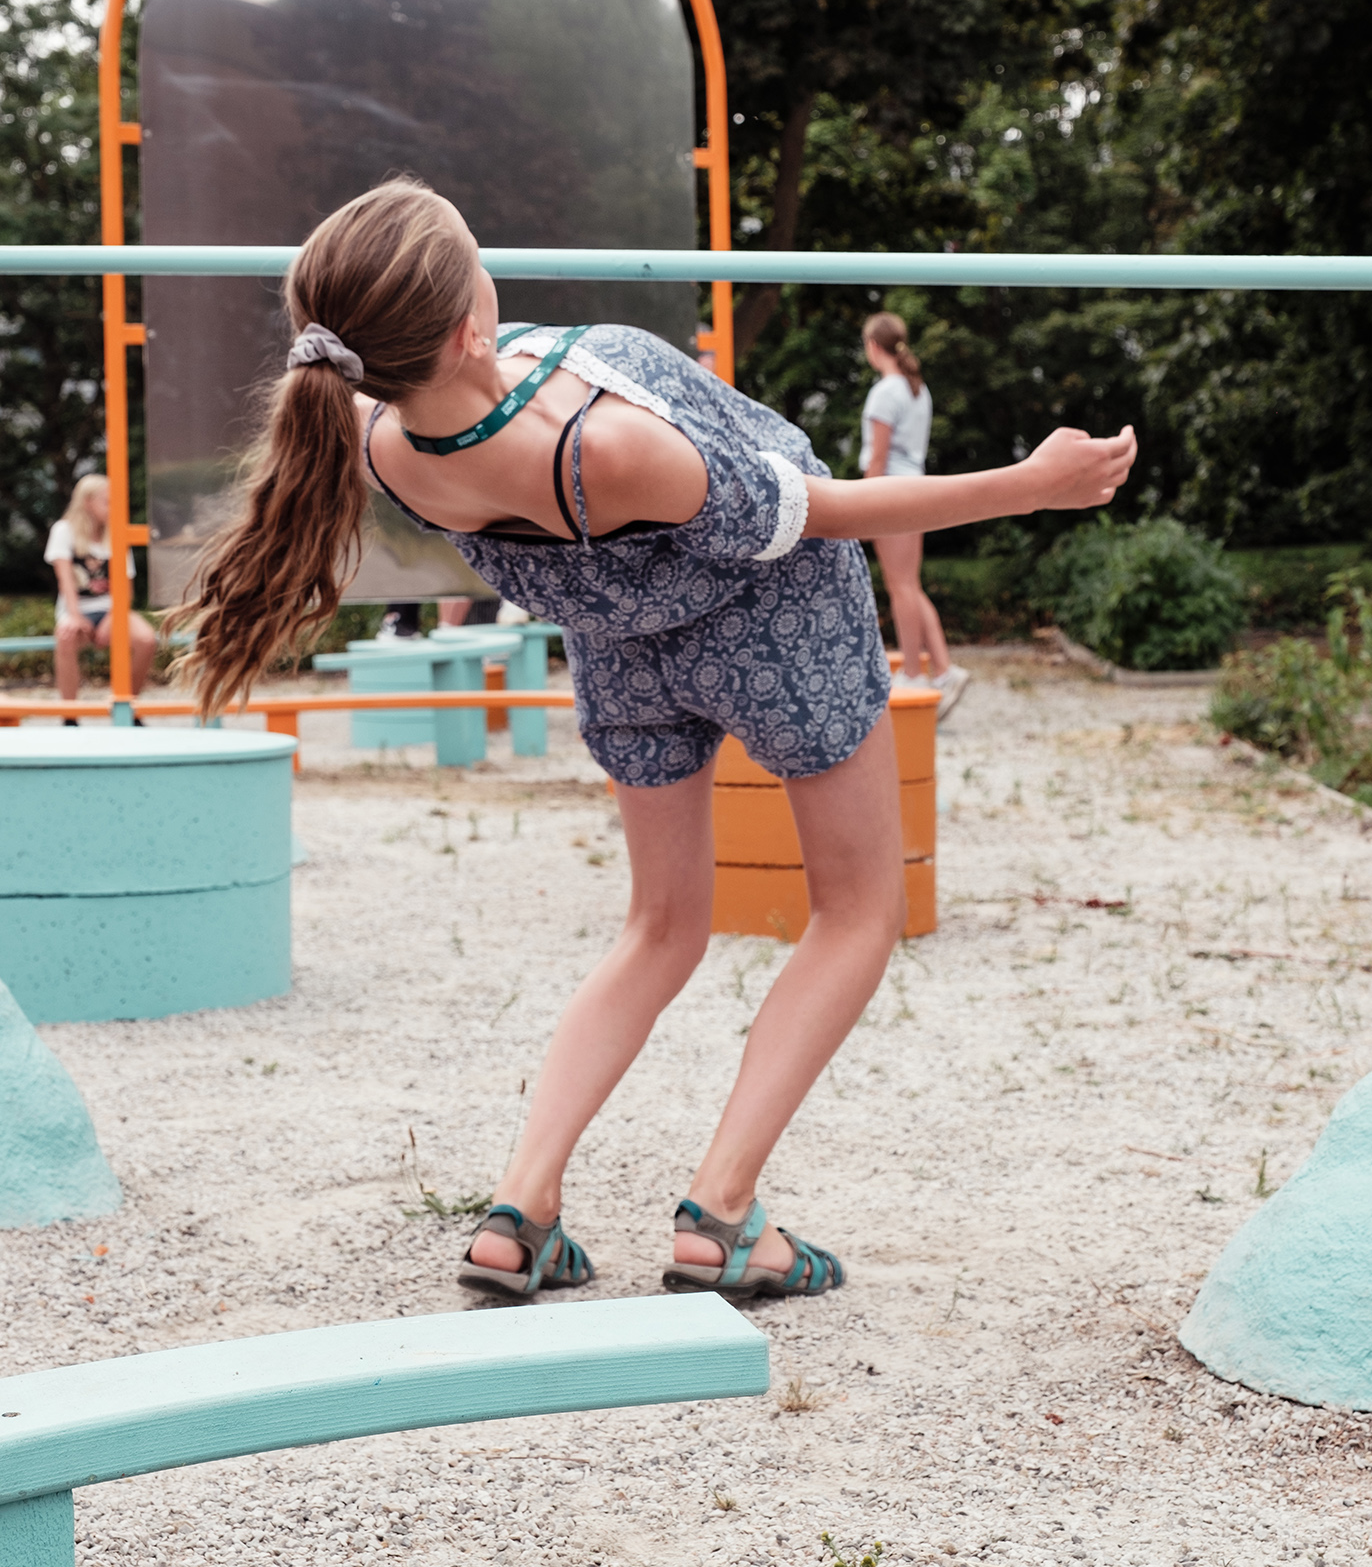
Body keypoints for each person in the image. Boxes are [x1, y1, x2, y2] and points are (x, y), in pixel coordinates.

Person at [171, 179, 1136, 1301]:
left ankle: (519, 1210)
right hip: (778, 629)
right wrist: (1030, 485)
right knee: (858, 909)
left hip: (621, 649)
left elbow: (455, 388)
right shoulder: (608, 447)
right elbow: (812, 514)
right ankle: (722, 1215)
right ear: (466, 325)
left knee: (660, 925)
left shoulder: (375, 431)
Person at [860, 311, 969, 717]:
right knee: (910, 584)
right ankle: (942, 669)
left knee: (900, 586)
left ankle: (911, 671)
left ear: (873, 347)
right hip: (914, 488)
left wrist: (863, 506)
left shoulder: (885, 392)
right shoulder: (915, 389)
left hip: (891, 492)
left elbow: (878, 457)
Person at [45, 474, 156, 721]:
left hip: (110, 609)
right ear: (87, 503)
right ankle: (70, 715)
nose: (114, 507)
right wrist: (74, 617)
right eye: (108, 501)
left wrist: (113, 618)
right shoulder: (64, 531)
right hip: (76, 609)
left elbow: (126, 589)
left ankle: (128, 706)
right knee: (65, 637)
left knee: (146, 640)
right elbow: (65, 581)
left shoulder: (117, 533)